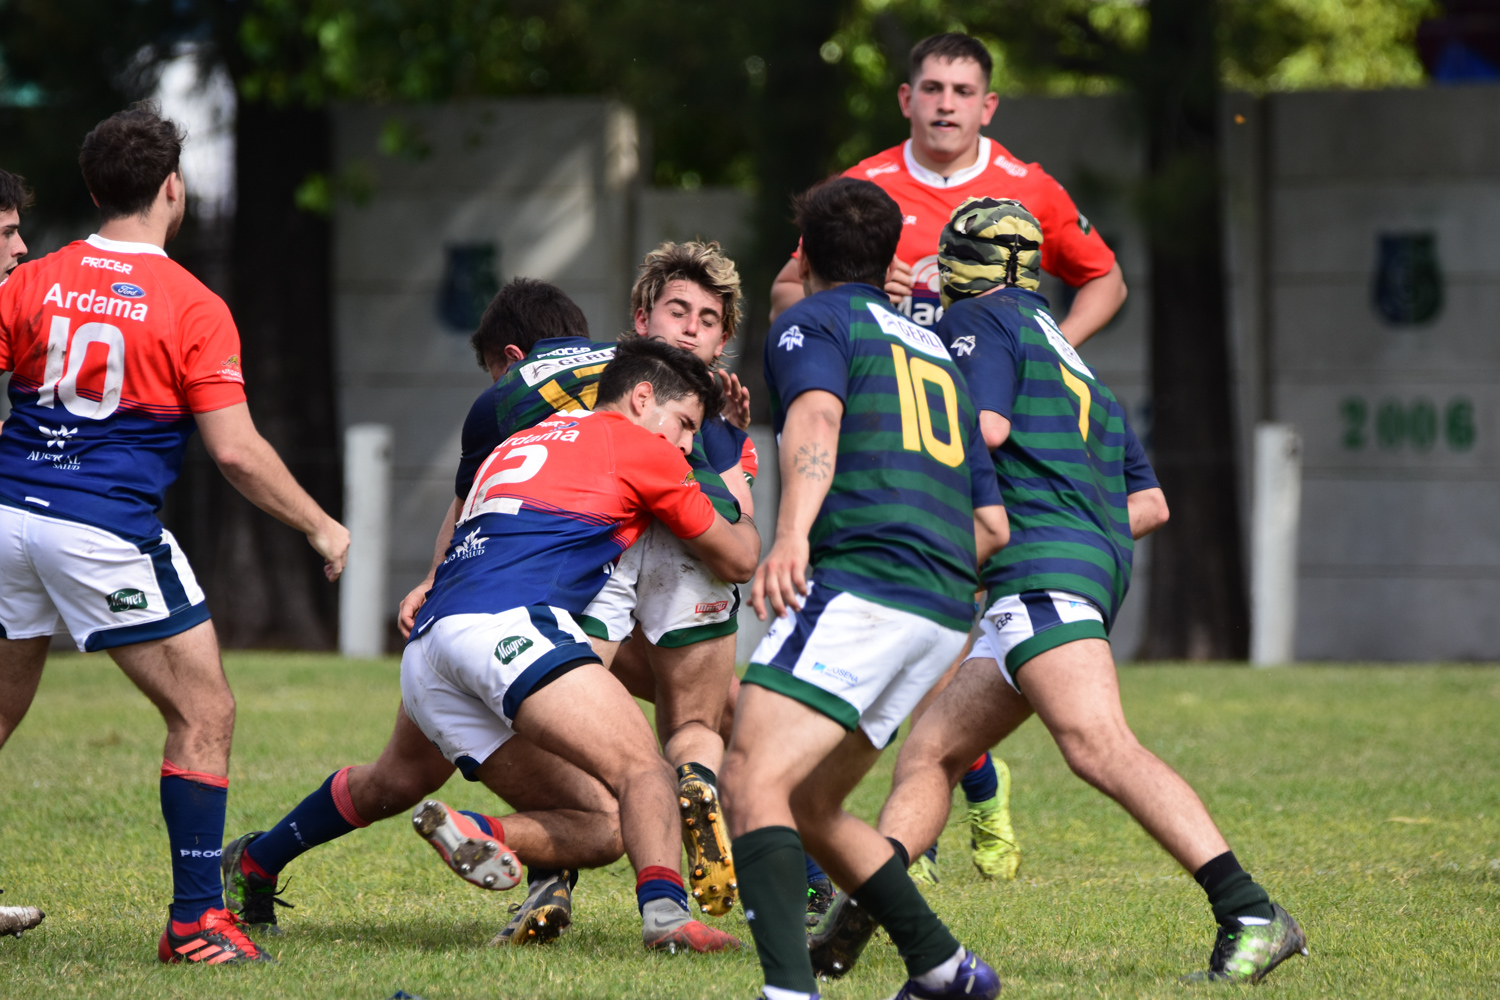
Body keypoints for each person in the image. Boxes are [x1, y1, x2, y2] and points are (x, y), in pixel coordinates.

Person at [817, 197, 1307, 985]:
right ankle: (874, 899)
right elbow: (1150, 505)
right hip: (1066, 572)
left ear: (966, 264)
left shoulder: (975, 325)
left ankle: (1249, 909)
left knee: (1096, 746)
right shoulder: (1070, 357)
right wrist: (1072, 543)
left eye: (948, 260)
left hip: (1040, 574)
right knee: (934, 753)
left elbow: (983, 433)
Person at [771, 31, 1127, 882]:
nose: (944, 104)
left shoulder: (1026, 186)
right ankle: (949, 801)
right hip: (897, 421)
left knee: (930, 614)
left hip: (985, 425)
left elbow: (1105, 278)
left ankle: (924, 811)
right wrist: (863, 296)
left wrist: (1042, 347)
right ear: (905, 98)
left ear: (987, 105)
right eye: (930, 87)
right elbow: (791, 286)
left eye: (962, 91)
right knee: (916, 613)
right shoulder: (863, 188)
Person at [0, 105, 350, 966]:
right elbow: (235, 453)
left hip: (9, 520)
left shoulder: (29, 281)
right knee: (205, 709)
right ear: (171, 189)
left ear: (91, 189)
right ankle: (197, 919)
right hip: (103, 531)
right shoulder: (192, 304)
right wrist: (320, 525)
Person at [720, 177, 1008, 1000]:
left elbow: (815, 420)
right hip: (943, 604)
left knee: (750, 779)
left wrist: (790, 536)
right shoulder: (941, 360)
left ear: (801, 255)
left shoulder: (810, 321)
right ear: (889, 262)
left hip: (867, 582)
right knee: (811, 803)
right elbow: (993, 528)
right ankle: (948, 970)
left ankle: (787, 992)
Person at [402, 335, 759, 953]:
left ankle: (471, 829)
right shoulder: (639, 447)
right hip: (506, 624)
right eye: (682, 424)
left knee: (601, 825)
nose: (683, 444)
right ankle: (669, 920)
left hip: (427, 659)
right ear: (642, 397)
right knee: (644, 768)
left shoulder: (518, 439)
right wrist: (743, 509)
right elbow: (738, 558)